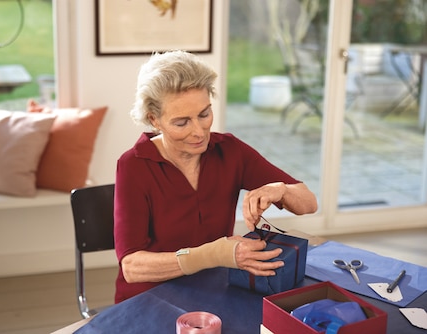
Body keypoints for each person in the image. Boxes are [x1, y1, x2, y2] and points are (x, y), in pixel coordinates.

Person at [114, 50, 317, 303]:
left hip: (216, 287)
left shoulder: (229, 150)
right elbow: (132, 268)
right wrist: (215, 254)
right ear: (154, 119)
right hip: (150, 298)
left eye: (204, 114)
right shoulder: (134, 165)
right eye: (181, 123)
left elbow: (309, 202)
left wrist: (281, 190)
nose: (199, 131)